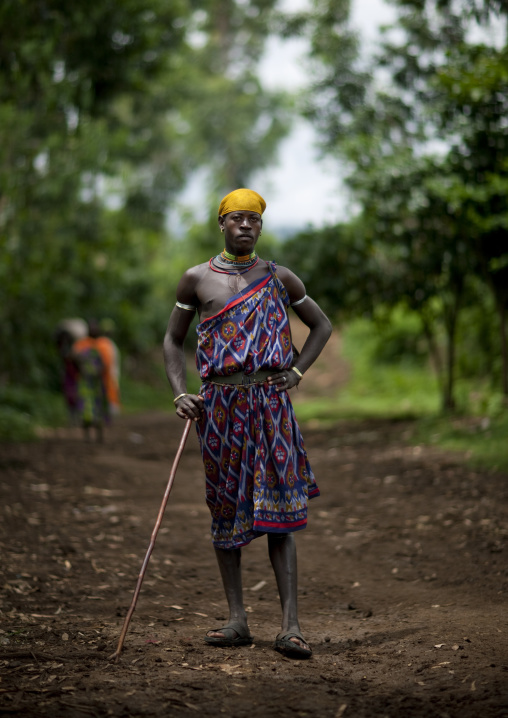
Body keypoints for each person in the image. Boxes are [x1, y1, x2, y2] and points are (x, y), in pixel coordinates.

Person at [163, 188, 332, 659]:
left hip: (271, 406)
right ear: (221, 223)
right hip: (218, 409)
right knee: (224, 507)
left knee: (280, 513)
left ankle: (291, 626)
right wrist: (180, 391)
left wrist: (296, 371)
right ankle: (237, 620)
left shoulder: (279, 278)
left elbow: (321, 326)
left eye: (253, 220)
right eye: (236, 218)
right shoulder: (195, 280)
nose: (245, 226)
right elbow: (173, 342)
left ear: (261, 227)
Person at [73, 319, 118, 442]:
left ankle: (99, 436)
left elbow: (106, 364)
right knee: (85, 410)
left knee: (98, 410)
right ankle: (86, 436)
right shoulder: (82, 345)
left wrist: (98, 371)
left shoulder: (102, 345)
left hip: (97, 383)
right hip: (85, 384)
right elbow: (74, 359)